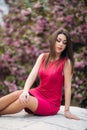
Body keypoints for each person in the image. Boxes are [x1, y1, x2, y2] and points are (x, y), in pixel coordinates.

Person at [0, 28, 80, 120]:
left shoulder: (66, 62)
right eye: (58, 40)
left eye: (64, 42)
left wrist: (67, 110)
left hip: (51, 102)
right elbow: (32, 75)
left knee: (26, 100)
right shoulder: (43, 57)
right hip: (38, 92)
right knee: (19, 93)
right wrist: (25, 91)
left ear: (67, 46)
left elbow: (67, 87)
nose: (61, 44)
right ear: (53, 41)